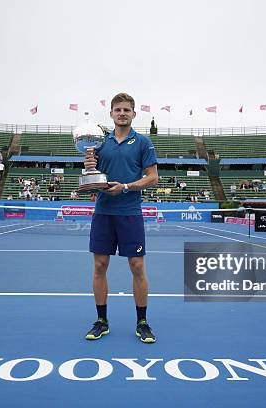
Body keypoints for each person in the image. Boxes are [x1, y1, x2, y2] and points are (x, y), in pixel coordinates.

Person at [83, 92, 158, 343]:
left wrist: (125, 187)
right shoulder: (100, 143)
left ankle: (143, 322)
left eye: (127, 110)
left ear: (133, 114)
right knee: (99, 266)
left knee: (137, 266)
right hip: (104, 211)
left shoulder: (143, 142)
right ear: (112, 113)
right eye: (118, 110)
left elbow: (152, 177)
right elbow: (95, 177)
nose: (122, 113)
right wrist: (90, 167)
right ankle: (101, 321)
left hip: (130, 212)